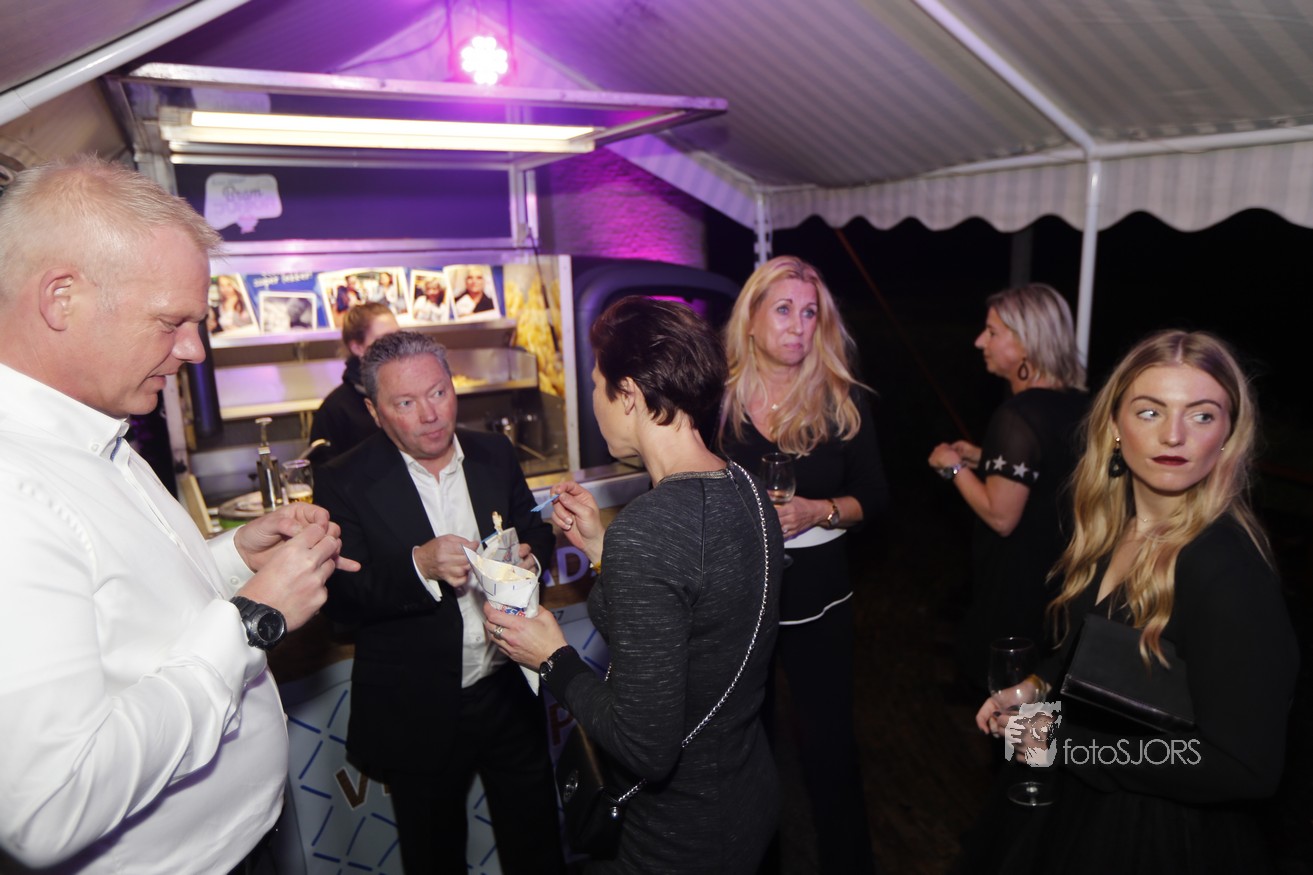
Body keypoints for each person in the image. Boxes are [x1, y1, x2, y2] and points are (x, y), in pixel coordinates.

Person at [0, 155, 356, 873]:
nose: (193, 350)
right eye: (171, 322)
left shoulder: (92, 429)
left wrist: (232, 559)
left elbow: (124, 610)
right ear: (61, 298)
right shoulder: (14, 487)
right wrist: (253, 617)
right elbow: (48, 807)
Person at [972, 330, 1299, 873]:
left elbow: (1245, 767)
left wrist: (1066, 744)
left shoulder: (1226, 569)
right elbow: (1099, 650)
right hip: (1082, 808)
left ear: (1228, 435)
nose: (1174, 435)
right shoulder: (1114, 528)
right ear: (1115, 427)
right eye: (1150, 412)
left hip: (1162, 836)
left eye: (1202, 415)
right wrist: (1034, 686)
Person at [486, 297, 783, 873]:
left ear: (628, 393)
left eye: (598, 383)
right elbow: (702, 616)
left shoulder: (650, 528)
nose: (595, 399)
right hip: (744, 792)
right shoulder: (746, 487)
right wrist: (604, 552)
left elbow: (646, 748)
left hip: (680, 835)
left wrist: (552, 659)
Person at [315, 330, 565, 875]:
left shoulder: (494, 453)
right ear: (374, 411)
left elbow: (534, 529)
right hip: (419, 706)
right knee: (434, 858)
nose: (430, 415)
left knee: (538, 848)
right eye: (405, 403)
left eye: (438, 393)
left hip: (508, 690)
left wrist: (530, 561)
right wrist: (419, 567)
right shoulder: (343, 479)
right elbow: (341, 601)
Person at [716, 255, 888, 873]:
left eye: (809, 312)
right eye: (784, 309)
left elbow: (875, 497)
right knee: (744, 751)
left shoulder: (842, 400)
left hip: (820, 595)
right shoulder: (718, 402)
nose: (797, 325)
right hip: (741, 596)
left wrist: (821, 511)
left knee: (828, 748)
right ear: (752, 318)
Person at [928, 283, 1088, 690]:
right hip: (1065, 592)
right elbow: (1050, 471)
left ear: (1026, 343)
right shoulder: (1080, 405)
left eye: (993, 332)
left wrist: (952, 468)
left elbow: (1001, 516)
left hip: (1019, 596)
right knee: (1049, 710)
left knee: (1010, 713)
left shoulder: (1018, 416)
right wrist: (984, 458)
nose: (980, 341)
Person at [309, 302, 399, 462]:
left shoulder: (414, 391)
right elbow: (325, 471)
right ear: (357, 348)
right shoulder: (335, 410)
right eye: (385, 340)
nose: (397, 346)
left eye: (399, 336)